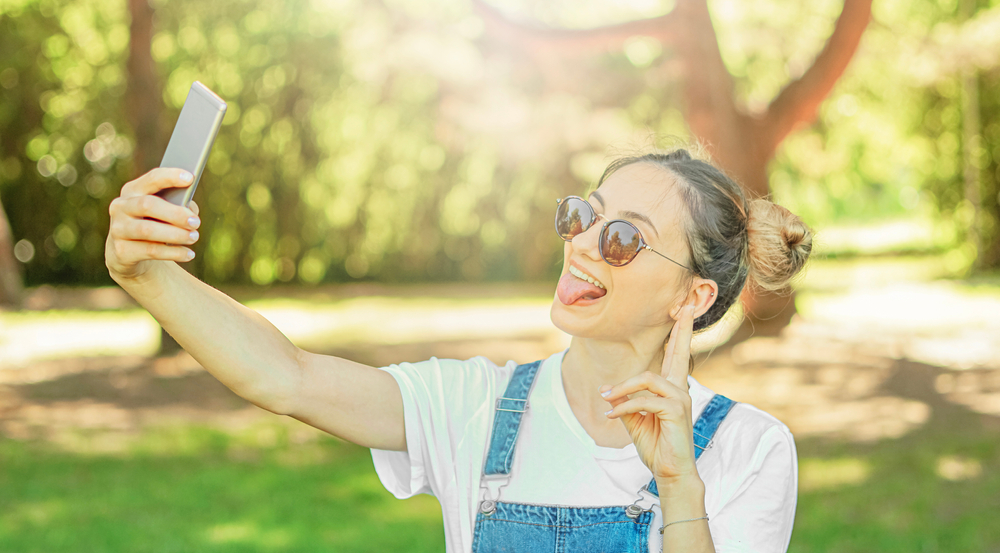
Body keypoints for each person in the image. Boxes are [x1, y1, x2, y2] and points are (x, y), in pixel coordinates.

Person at [105, 147, 812, 553]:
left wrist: (679, 487)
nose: (582, 244)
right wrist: (145, 274)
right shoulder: (475, 406)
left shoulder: (748, 450)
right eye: (583, 214)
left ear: (689, 298)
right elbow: (285, 377)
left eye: (622, 237)